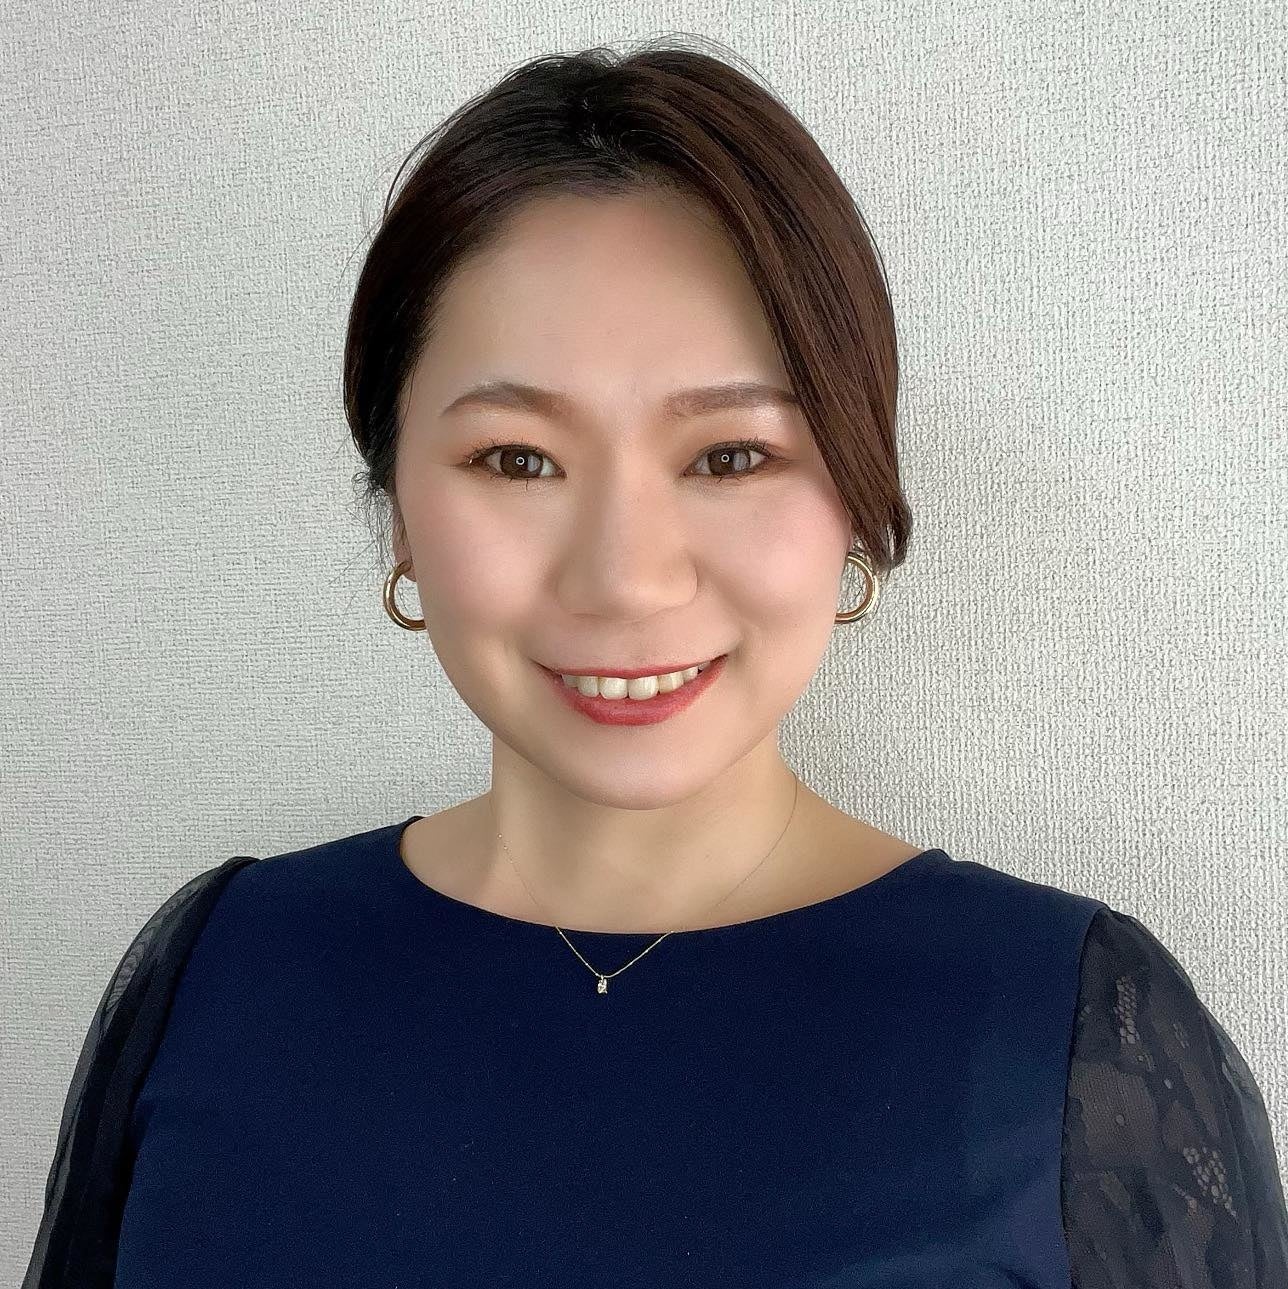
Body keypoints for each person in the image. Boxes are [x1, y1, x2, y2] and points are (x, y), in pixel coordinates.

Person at [24, 35, 1288, 1289]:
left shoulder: (1073, 1031)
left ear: (853, 497)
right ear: (397, 507)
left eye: (730, 456)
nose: (624, 576)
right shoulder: (219, 971)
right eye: (516, 459)